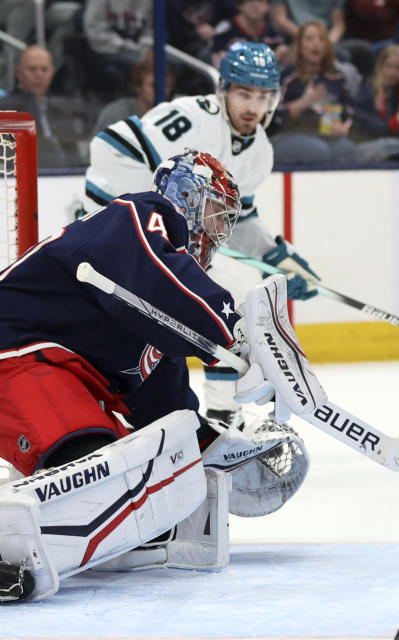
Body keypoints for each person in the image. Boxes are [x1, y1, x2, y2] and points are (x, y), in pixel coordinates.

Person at [0, 150, 310, 601]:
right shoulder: (140, 216)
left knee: (138, 482)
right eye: (217, 212)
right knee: (101, 473)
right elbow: (161, 281)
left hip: (39, 370)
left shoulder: (153, 319)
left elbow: (166, 417)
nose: (221, 230)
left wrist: (219, 453)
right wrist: (234, 331)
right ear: (188, 198)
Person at [83, 41, 321, 430]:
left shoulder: (260, 151)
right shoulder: (195, 118)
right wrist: (129, 212)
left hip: (158, 238)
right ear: (223, 91)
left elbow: (235, 219)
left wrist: (278, 255)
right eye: (244, 93)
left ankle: (223, 414)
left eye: (262, 96)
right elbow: (112, 146)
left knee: (221, 302)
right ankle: (220, 416)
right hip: (119, 224)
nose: (253, 106)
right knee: (220, 298)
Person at [269, 20, 357, 165]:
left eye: (321, 39)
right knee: (318, 150)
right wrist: (304, 102)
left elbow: (349, 113)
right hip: (290, 134)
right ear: (300, 46)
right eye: (309, 39)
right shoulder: (287, 76)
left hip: (326, 136)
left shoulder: (336, 77)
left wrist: (344, 128)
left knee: (346, 148)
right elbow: (272, 117)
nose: (316, 43)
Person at [0, 44, 90, 167]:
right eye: (32, 69)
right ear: (19, 73)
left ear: (52, 73)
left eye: (44, 69)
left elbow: (72, 152)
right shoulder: (5, 110)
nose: (39, 74)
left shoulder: (61, 107)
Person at [90, 58, 159, 137]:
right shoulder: (117, 113)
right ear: (138, 87)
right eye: (153, 85)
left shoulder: (168, 113)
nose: (162, 90)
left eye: (167, 85)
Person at [210, 0, 290, 67]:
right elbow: (218, 63)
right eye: (250, 1)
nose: (255, 5)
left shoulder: (275, 33)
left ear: (268, 6)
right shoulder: (225, 29)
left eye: (260, 1)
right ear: (240, 5)